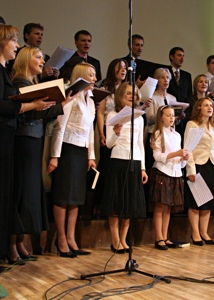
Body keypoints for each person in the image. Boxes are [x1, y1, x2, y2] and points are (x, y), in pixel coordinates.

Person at [0, 23, 53, 272]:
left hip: (1, 139)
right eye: (14, 41)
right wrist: (30, 105)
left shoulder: (0, 70)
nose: (17, 46)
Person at [10, 46, 76, 263]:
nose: (42, 61)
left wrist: (62, 103)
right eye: (38, 57)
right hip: (23, 140)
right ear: (26, 59)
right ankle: (12, 244)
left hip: (34, 139)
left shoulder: (32, 83)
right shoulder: (20, 82)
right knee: (21, 190)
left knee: (29, 190)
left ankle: (20, 242)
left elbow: (42, 113)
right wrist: (39, 105)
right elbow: (24, 112)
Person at [48, 62, 97, 258]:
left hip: (81, 151)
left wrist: (91, 155)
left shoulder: (91, 100)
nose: (95, 79)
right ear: (82, 76)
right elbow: (60, 127)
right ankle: (60, 239)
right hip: (67, 149)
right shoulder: (72, 96)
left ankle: (71, 239)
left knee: (75, 198)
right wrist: (55, 156)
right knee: (63, 196)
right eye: (91, 75)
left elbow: (90, 130)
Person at [101, 82, 147, 254]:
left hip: (134, 161)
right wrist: (116, 133)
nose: (131, 96)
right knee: (115, 202)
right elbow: (109, 144)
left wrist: (142, 167)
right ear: (120, 94)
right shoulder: (112, 114)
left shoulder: (139, 118)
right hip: (118, 160)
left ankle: (123, 239)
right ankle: (114, 240)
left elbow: (140, 144)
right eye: (128, 93)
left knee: (129, 203)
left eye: (134, 93)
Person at [184, 98, 214, 246]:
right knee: (196, 202)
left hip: (211, 164)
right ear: (199, 107)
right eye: (206, 105)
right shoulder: (192, 124)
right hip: (198, 164)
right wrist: (191, 169)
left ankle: (204, 232)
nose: (210, 108)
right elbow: (188, 148)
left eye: (211, 105)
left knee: (208, 201)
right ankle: (195, 232)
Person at [149, 105, 189, 250]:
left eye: (173, 115)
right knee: (160, 206)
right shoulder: (158, 133)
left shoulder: (177, 135)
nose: (171, 118)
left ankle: (165, 236)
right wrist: (176, 154)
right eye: (168, 115)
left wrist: (184, 158)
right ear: (161, 117)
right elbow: (157, 156)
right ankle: (158, 237)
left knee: (168, 208)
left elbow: (181, 163)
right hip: (162, 171)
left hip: (175, 172)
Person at [92, 58, 128, 218]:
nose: (123, 70)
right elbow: (100, 112)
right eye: (119, 67)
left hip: (124, 133)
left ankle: (116, 205)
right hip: (107, 130)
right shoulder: (105, 87)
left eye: (125, 68)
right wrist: (101, 133)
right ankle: (100, 204)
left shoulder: (127, 88)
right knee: (105, 167)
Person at [167, 47, 192, 137]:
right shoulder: (166, 72)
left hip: (183, 116)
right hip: (169, 114)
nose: (182, 58)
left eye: (183, 56)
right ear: (171, 57)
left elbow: (189, 95)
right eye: (179, 55)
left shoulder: (187, 76)